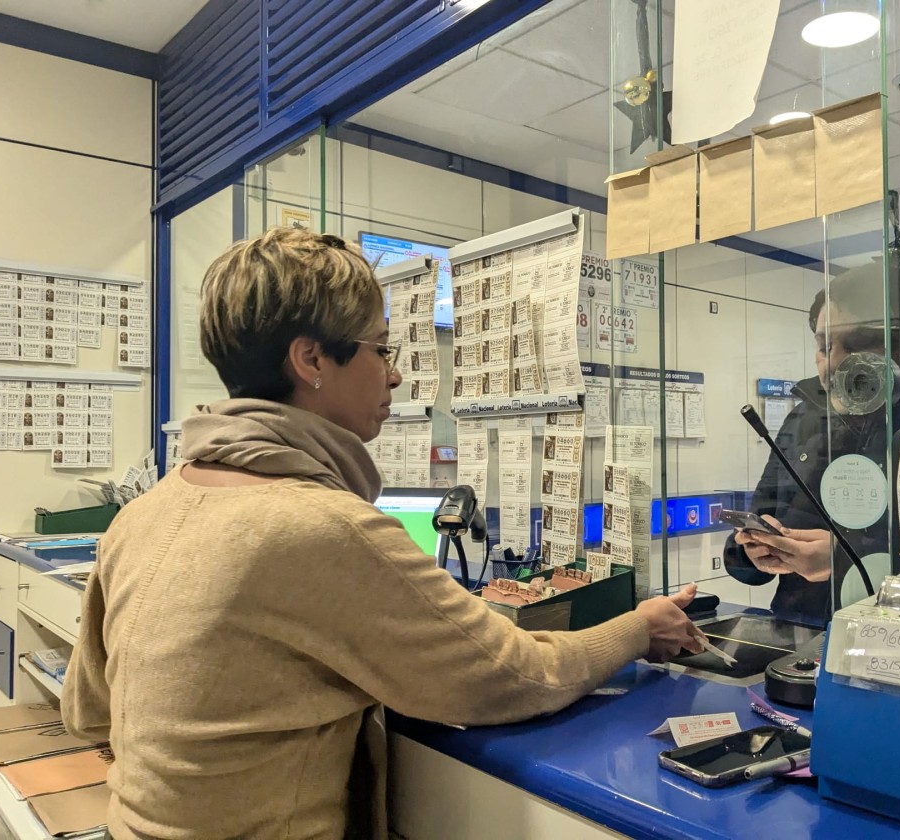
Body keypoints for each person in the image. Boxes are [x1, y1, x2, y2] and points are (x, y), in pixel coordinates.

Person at [63, 227, 700, 840]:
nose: (395, 375)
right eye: (382, 350)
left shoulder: (144, 513)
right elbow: (513, 676)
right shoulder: (319, 526)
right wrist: (641, 628)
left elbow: (87, 709)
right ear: (312, 358)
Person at [723, 266, 900, 624]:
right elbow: (757, 523)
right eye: (824, 346)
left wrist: (846, 560)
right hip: (802, 629)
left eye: (854, 344)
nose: (834, 360)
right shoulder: (804, 418)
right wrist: (752, 553)